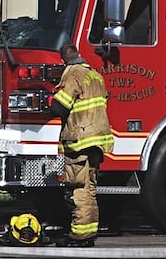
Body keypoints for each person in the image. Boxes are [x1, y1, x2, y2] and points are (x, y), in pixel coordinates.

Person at [49, 44, 113, 246]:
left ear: (63, 60)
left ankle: (80, 236)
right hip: (97, 139)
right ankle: (88, 232)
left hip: (80, 140)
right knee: (89, 187)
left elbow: (60, 106)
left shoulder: (72, 73)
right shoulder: (94, 74)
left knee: (79, 188)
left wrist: (49, 100)